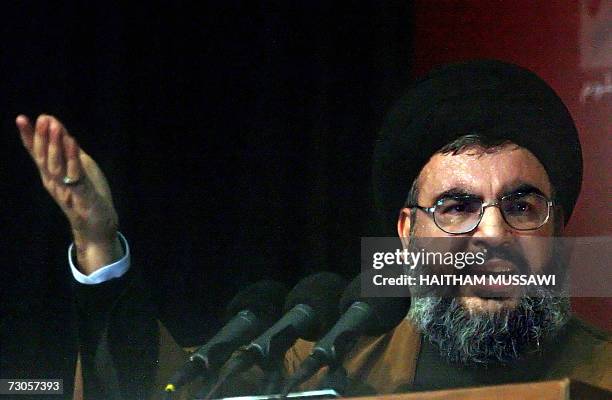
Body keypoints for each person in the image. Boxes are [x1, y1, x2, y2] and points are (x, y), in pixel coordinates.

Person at [16, 60, 611, 399]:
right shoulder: (320, 366)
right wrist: (97, 244)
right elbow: (152, 388)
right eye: (456, 207)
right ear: (407, 235)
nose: (491, 235)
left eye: (522, 205)